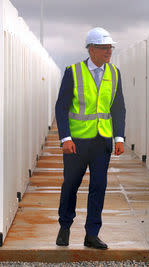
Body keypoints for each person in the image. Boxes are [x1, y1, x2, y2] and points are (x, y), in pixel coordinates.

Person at [54, 27, 126, 249]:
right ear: (92, 49)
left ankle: (92, 234)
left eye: (110, 47)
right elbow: (61, 107)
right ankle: (65, 226)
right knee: (71, 185)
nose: (109, 52)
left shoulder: (114, 73)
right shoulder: (73, 72)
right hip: (76, 141)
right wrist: (65, 138)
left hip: (101, 141)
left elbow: (118, 108)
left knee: (99, 186)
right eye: (104, 48)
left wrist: (119, 138)